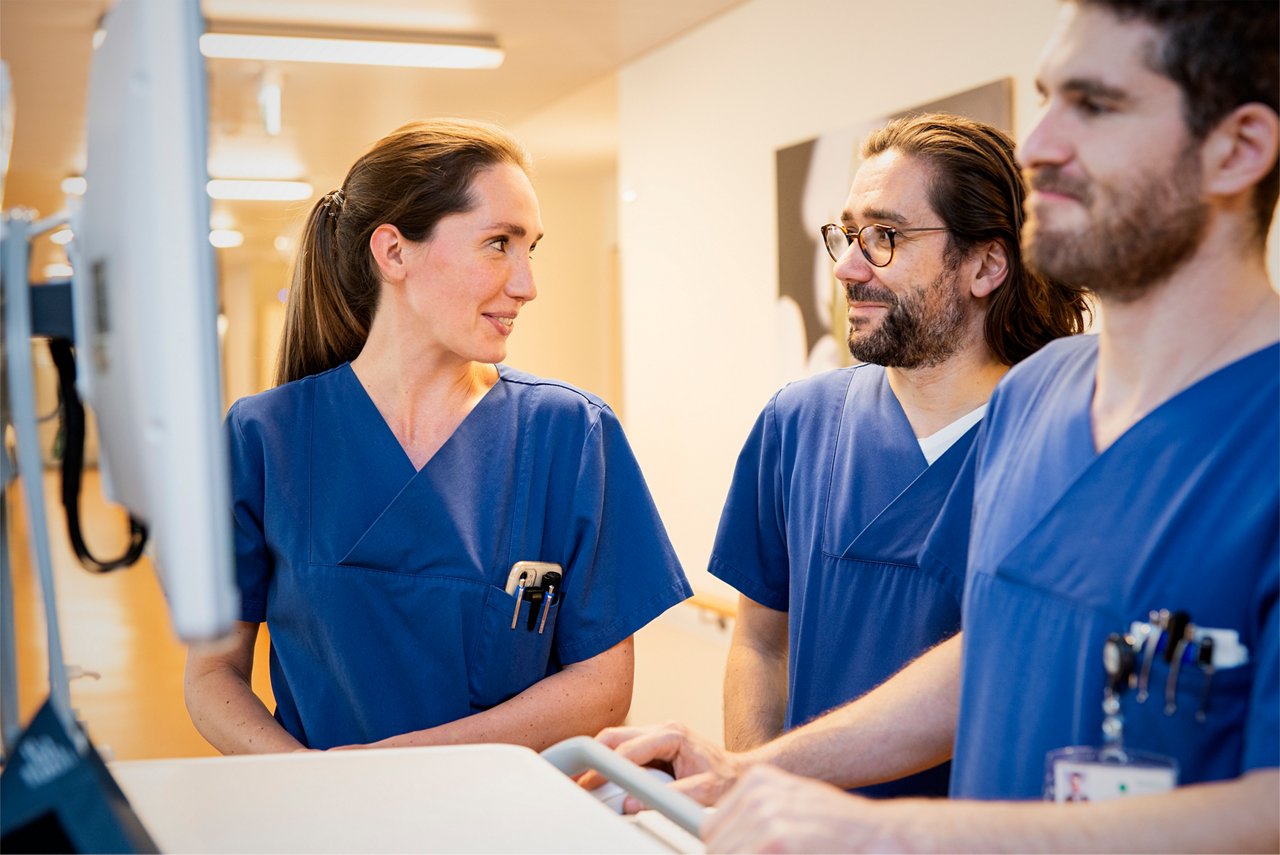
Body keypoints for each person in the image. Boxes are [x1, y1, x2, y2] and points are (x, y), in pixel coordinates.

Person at [591, 1, 1279, 850]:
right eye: (1048, 99)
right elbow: (992, 651)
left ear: (1238, 149)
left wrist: (897, 835)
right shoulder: (1041, 397)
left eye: (1096, 105)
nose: (1041, 146)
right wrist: (753, 768)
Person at [184, 119, 692, 753]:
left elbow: (601, 688)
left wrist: (400, 768)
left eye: (530, 248)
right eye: (499, 243)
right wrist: (304, 778)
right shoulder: (267, 438)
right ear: (394, 252)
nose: (527, 285)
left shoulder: (569, 435)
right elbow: (212, 671)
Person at [714, 113, 1088, 803]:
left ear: (985, 264)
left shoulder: (1063, 438)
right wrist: (755, 786)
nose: (846, 266)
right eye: (847, 234)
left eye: (884, 237)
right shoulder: (796, 424)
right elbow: (762, 642)